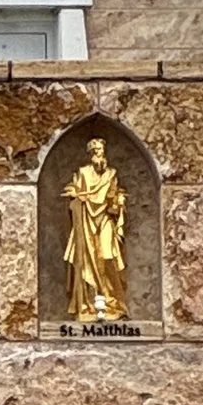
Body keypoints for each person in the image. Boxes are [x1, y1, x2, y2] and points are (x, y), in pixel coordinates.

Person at [64, 135, 128, 322]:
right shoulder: (83, 173)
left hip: (106, 218)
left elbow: (115, 194)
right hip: (87, 219)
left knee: (107, 256)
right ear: (91, 153)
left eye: (101, 150)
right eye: (96, 151)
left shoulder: (111, 174)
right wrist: (76, 197)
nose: (99, 154)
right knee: (88, 258)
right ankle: (90, 302)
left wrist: (119, 200)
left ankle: (112, 300)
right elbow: (74, 194)